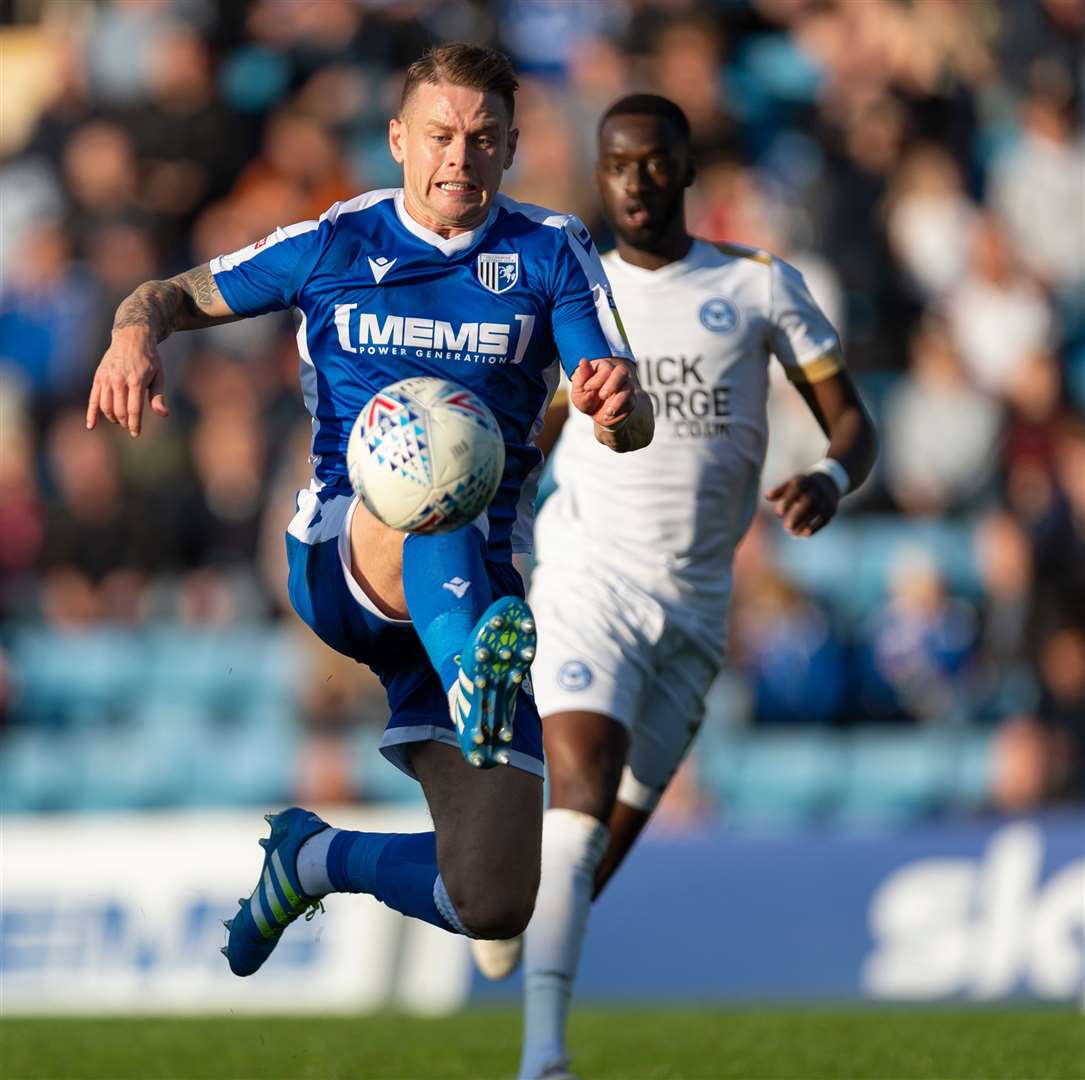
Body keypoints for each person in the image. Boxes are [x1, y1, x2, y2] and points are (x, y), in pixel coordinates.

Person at [85, 44, 653, 977]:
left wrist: (619, 412)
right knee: (432, 464)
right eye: (439, 135)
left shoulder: (551, 250)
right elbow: (170, 293)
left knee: (493, 898)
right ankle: (476, 666)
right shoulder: (337, 242)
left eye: (482, 139)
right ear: (398, 140)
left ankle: (312, 858)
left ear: (510, 149)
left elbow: (623, 414)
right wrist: (133, 331)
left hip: (481, 596)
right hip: (346, 551)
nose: (458, 158)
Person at [471, 94, 878, 1080]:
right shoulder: (576, 294)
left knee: (605, 830)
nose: (637, 180)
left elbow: (854, 427)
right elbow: (533, 434)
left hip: (695, 609)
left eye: (655, 162)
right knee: (580, 783)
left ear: (687, 169)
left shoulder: (757, 287)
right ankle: (542, 1059)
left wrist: (827, 475)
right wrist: (485, 542)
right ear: (598, 175)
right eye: (617, 164)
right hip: (587, 579)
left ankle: (509, 898)